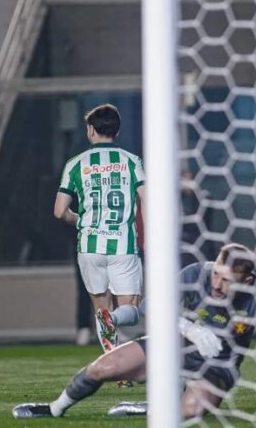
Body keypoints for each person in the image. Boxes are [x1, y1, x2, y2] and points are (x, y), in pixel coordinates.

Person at [12, 244, 256, 418]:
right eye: (216, 275)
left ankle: (151, 408)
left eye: (227, 280)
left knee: (190, 410)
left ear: (246, 281)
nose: (217, 285)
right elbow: (149, 307)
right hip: (175, 343)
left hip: (219, 365)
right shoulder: (196, 274)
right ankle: (54, 409)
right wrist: (185, 327)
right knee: (103, 367)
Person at [53, 104, 145, 353]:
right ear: (117, 131)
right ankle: (114, 323)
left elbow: (59, 211)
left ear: (91, 130)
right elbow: (147, 199)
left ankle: (112, 358)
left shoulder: (75, 163)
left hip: (89, 246)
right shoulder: (131, 161)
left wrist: (81, 220)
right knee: (131, 311)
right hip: (123, 245)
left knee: (101, 310)